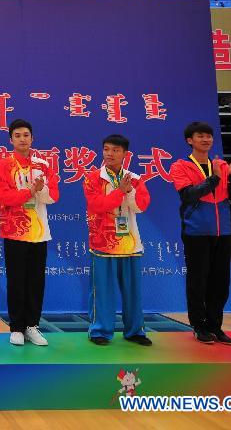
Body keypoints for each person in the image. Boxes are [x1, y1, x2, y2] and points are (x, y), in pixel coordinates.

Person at [170, 121, 231, 345]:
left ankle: (216, 326)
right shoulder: (180, 166)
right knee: (198, 281)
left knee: (220, 282)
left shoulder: (221, 164)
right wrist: (215, 178)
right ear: (189, 140)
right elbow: (189, 195)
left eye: (209, 136)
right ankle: (199, 326)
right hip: (196, 232)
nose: (206, 139)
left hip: (223, 233)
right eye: (200, 136)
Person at [0, 119, 58, 346]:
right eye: (17, 135)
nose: (22, 139)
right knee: (17, 279)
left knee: (36, 280)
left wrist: (41, 190)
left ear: (32, 138)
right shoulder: (3, 166)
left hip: (39, 232)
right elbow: (4, 198)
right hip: (14, 231)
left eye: (26, 135)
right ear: (11, 140)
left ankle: (32, 326)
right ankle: (17, 327)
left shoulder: (43, 165)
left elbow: (53, 197)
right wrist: (29, 190)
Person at [83, 134, 152, 346]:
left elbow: (141, 206)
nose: (109, 154)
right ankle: (100, 331)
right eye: (106, 149)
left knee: (133, 291)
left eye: (115, 150)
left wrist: (128, 191)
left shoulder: (135, 179)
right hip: (102, 243)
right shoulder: (93, 178)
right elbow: (97, 205)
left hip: (129, 242)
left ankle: (135, 331)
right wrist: (119, 192)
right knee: (102, 290)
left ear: (125, 154)